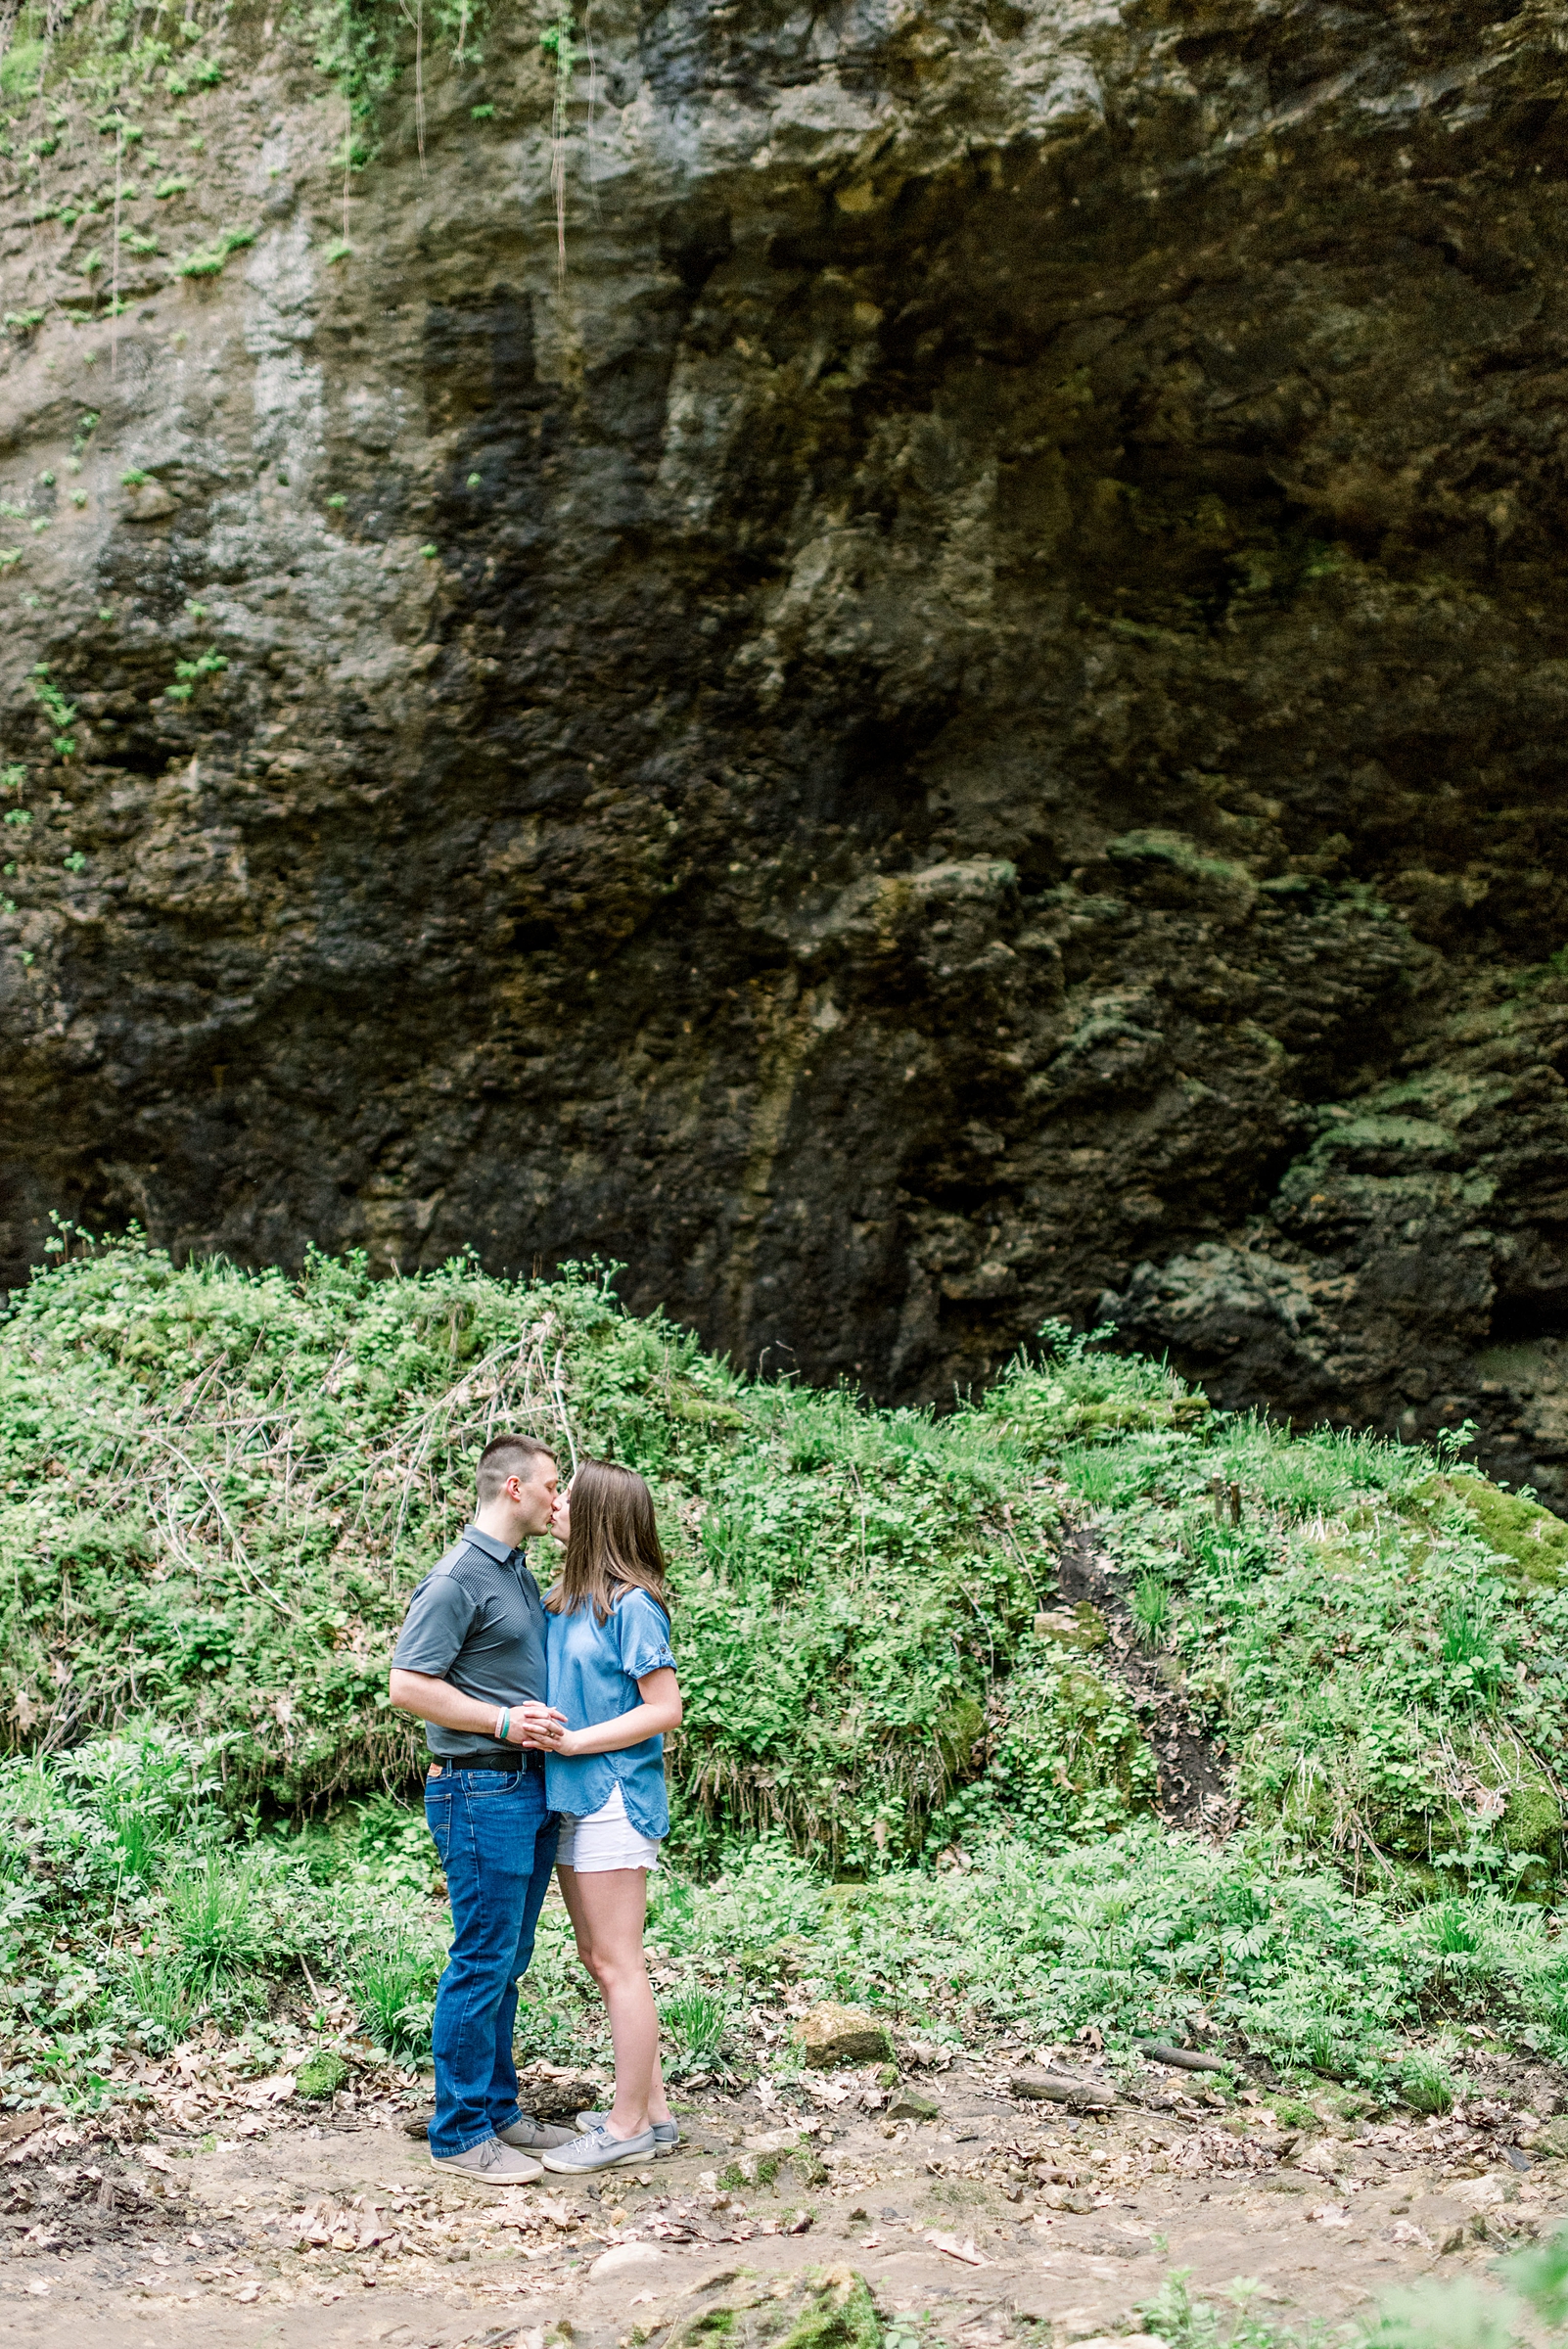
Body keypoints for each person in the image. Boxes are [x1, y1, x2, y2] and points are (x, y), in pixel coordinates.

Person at [388, 1432, 576, 2185]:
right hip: (479, 1787)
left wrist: (579, 1538)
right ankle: (459, 2133)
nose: (560, 1499)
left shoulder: (518, 1571)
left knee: (511, 1958)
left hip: (528, 1785)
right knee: (482, 1958)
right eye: (553, 1487)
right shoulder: (456, 1579)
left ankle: (498, 2111)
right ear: (514, 1489)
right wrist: (502, 1723)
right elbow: (408, 1685)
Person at [533, 1459, 684, 2176]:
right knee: (599, 1960)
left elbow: (665, 1709)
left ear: (596, 1514)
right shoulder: (566, 1598)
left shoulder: (631, 1606)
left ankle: (623, 2127)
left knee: (621, 1964)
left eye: (570, 1497)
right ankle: (651, 2113)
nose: (555, 1503)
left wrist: (577, 1741)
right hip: (569, 1798)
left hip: (616, 1797)